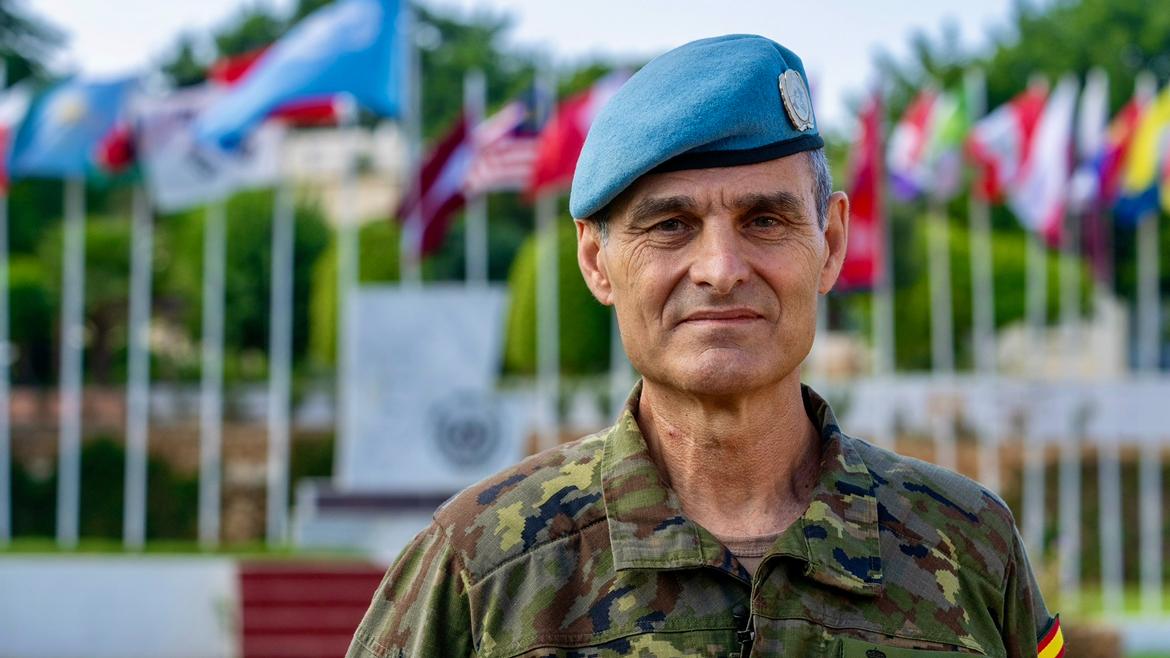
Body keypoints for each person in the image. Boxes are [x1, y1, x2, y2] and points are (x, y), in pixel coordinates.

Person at [347, 34, 1061, 658]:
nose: (721, 269)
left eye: (765, 220)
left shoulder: (966, 546)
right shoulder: (483, 568)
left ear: (832, 242)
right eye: (670, 226)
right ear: (596, 261)